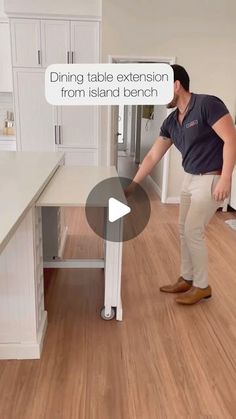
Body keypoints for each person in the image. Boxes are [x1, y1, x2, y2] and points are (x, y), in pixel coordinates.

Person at [126, 64, 236, 305]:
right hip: (190, 178)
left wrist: (226, 177)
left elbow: (231, 139)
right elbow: (153, 156)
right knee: (183, 230)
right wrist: (132, 185)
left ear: (176, 85)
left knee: (193, 231)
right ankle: (186, 278)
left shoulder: (207, 104)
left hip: (212, 178)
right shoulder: (171, 121)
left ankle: (202, 286)